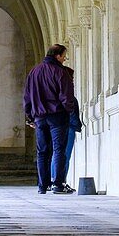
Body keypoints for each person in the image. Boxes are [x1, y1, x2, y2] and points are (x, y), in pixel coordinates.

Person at [23, 44, 75, 194]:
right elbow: (66, 96)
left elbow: (27, 97)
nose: (65, 59)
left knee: (42, 152)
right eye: (64, 56)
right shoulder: (60, 72)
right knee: (59, 149)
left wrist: (30, 117)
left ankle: (42, 186)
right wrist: (69, 110)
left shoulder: (34, 72)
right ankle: (58, 184)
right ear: (57, 56)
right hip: (57, 116)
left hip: (39, 118)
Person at [51, 68, 82, 192]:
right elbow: (71, 113)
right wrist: (76, 125)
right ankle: (60, 182)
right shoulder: (66, 94)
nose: (73, 81)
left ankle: (54, 180)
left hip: (56, 126)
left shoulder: (54, 93)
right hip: (67, 128)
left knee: (56, 154)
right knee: (64, 156)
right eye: (71, 78)